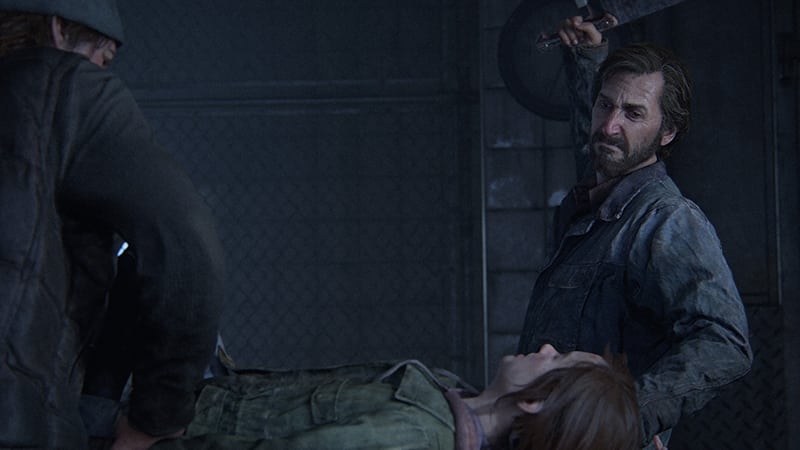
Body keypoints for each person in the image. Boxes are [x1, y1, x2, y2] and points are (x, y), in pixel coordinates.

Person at [516, 15, 753, 448]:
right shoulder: (598, 198)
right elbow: (598, 142)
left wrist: (626, 417)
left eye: (633, 113)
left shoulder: (668, 220)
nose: (610, 125)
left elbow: (724, 342)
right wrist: (588, 57)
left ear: (667, 132)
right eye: (605, 105)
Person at [0, 1, 225, 449]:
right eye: (102, 59)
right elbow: (186, 250)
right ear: (59, 29)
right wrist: (157, 417)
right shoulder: (59, 85)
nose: (101, 71)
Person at [144, 345, 640, 450]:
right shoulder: (443, 391)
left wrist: (147, 439)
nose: (546, 348)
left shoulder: (413, 438)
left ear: (534, 402)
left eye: (558, 359)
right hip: (173, 412)